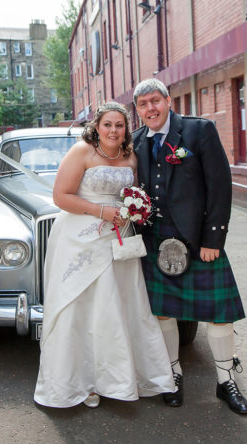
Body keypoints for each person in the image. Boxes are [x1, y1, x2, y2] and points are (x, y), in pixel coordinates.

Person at [34, 102, 175, 408]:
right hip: (80, 240)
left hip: (119, 239)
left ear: (127, 129)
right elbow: (61, 196)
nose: (114, 130)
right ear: (97, 126)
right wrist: (102, 211)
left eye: (120, 125)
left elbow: (133, 193)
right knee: (82, 309)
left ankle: (118, 379)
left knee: (116, 308)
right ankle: (81, 382)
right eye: (108, 124)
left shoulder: (130, 157)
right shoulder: (82, 152)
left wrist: (135, 209)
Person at [132, 78, 247, 414]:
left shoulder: (199, 131)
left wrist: (214, 238)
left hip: (198, 241)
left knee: (219, 315)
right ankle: (172, 374)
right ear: (138, 110)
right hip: (154, 240)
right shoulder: (137, 141)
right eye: (143, 104)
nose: (150, 108)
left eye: (155, 100)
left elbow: (219, 186)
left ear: (168, 101)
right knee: (163, 312)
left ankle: (226, 380)